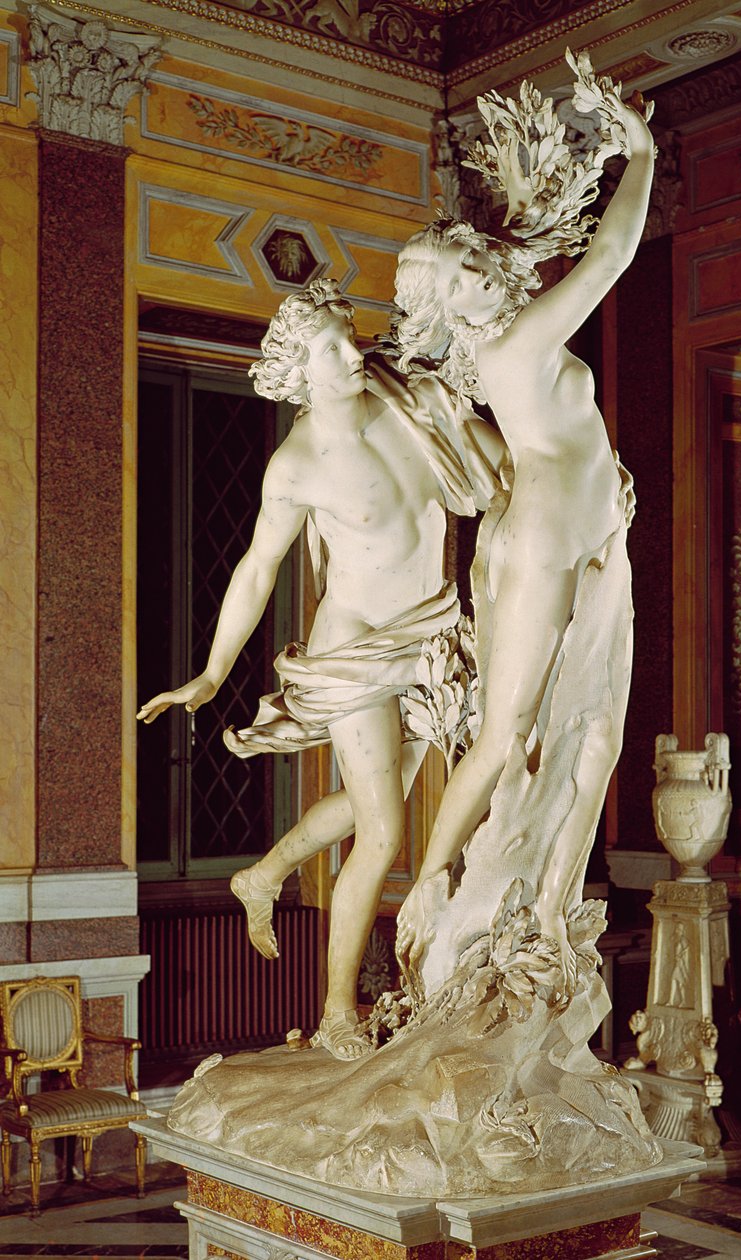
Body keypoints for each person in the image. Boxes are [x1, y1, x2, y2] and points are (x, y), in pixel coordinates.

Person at [137, 279, 504, 1058]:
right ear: (298, 371)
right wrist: (212, 672)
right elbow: (257, 567)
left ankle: (262, 874)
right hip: (354, 648)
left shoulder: (409, 401)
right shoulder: (297, 464)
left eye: (349, 335)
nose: (351, 353)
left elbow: (497, 459)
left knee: (380, 799)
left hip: (426, 635)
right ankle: (337, 1010)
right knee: (384, 828)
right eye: (330, 348)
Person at [393, 91, 655, 991]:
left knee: (588, 734)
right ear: (448, 304)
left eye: (470, 256)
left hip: (571, 526)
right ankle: (431, 883)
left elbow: (533, 440)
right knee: (510, 733)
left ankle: (544, 906)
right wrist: (641, 157)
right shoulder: (513, 344)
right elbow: (610, 255)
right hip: (547, 536)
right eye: (459, 272)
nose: (478, 265)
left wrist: (604, 475)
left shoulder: (498, 344)